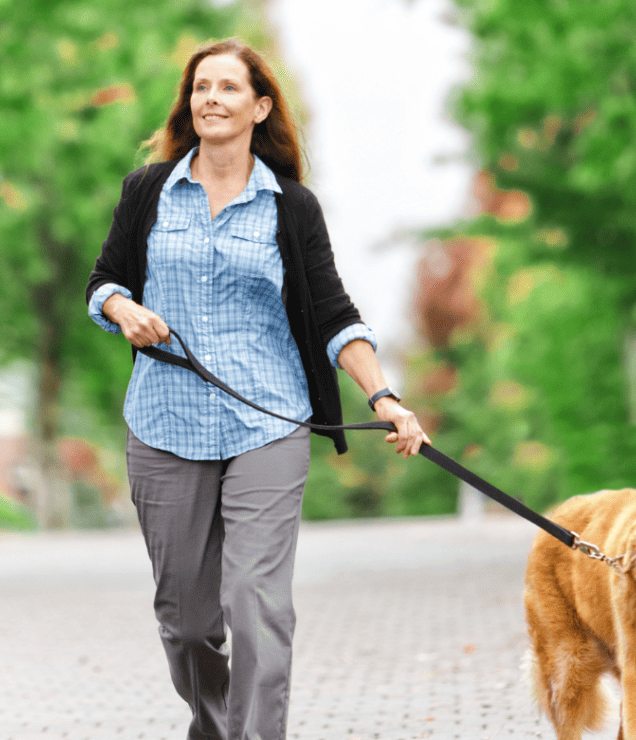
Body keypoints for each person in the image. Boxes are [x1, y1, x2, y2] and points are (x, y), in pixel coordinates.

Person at [85, 38, 430, 740]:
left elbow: (334, 312)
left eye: (228, 88)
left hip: (267, 424)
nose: (210, 98)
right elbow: (105, 280)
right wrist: (123, 310)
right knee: (186, 623)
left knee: (256, 604)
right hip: (165, 422)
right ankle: (214, 726)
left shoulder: (291, 209)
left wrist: (383, 396)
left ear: (260, 106)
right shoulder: (147, 190)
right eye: (200, 87)